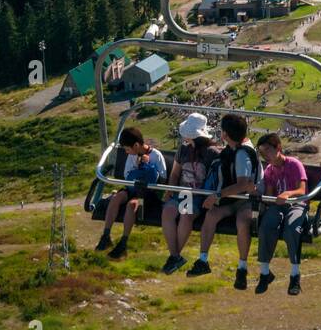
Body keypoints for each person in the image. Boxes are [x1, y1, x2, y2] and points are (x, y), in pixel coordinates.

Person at [186, 114, 259, 289]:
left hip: (246, 200)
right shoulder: (236, 149)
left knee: (242, 222)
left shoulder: (242, 155)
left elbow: (243, 184)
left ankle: (242, 267)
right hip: (234, 198)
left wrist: (217, 196)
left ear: (225, 134)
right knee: (211, 216)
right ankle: (203, 260)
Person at [97, 127, 166, 259]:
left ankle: (123, 242)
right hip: (132, 187)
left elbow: (162, 177)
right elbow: (127, 175)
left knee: (131, 205)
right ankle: (106, 235)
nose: (127, 153)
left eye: (128, 149)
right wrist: (136, 167)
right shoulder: (132, 156)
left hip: (147, 194)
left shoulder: (156, 156)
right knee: (116, 198)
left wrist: (148, 165)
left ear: (136, 145)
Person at [160, 113, 216, 275]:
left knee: (185, 214)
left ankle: (175, 256)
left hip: (198, 195)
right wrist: (170, 190)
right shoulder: (183, 149)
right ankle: (175, 255)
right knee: (167, 212)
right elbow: (175, 173)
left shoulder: (212, 153)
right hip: (182, 192)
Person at [254, 133, 308, 296]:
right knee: (266, 227)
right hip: (279, 206)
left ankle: (295, 274)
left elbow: (302, 190)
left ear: (278, 148)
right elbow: (271, 195)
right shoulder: (270, 170)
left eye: (268, 151)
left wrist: (287, 194)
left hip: (296, 204)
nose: (265, 156)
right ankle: (264, 272)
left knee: (291, 229)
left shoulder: (294, 164)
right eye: (262, 153)